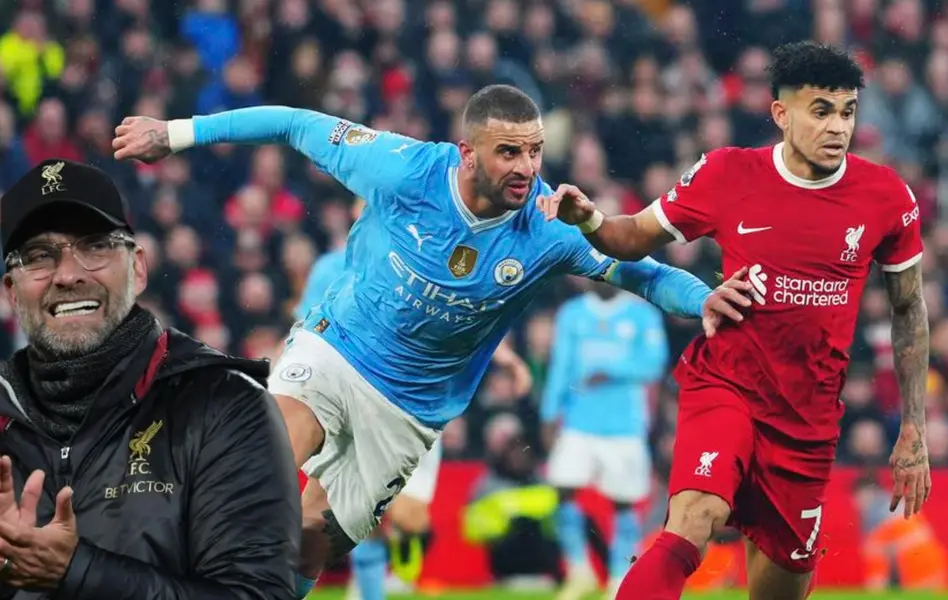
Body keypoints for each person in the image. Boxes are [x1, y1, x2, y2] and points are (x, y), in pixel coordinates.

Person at [111, 83, 753, 598]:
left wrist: (704, 299)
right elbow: (295, 122)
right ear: (467, 151)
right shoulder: (403, 168)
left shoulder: (550, 227)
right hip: (335, 352)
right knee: (270, 466)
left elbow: (641, 272)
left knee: (312, 537)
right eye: (509, 153)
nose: (527, 168)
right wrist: (175, 133)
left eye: (534, 152)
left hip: (410, 410)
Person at [539, 41, 933, 600]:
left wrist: (913, 427)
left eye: (847, 111)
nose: (837, 127)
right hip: (727, 385)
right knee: (694, 519)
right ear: (781, 114)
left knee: (780, 589)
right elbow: (631, 238)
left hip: (807, 421)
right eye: (820, 110)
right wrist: (591, 219)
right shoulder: (728, 173)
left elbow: (908, 310)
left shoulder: (885, 197)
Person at [0, 159, 302, 599]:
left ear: (138, 268)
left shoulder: (227, 408)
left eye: (95, 246)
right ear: (11, 291)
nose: (68, 275)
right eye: (39, 256)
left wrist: (77, 571)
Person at [297, 199, 534, 600]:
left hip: (415, 408)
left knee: (410, 518)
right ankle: (366, 588)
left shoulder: (422, 261)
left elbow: (460, 325)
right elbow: (308, 328)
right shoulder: (330, 268)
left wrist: (506, 359)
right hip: (353, 403)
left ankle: (388, 571)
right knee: (340, 513)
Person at [540, 279, 667, 600]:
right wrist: (549, 413)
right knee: (563, 489)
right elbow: (561, 366)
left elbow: (654, 364)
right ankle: (579, 571)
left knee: (623, 500)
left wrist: (609, 368)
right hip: (578, 420)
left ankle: (619, 576)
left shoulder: (641, 315)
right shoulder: (572, 313)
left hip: (624, 424)